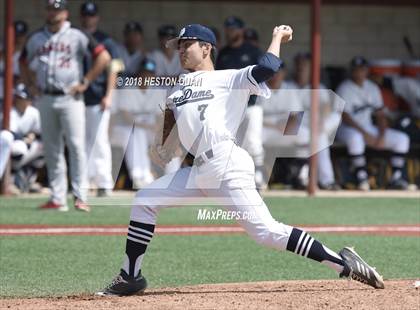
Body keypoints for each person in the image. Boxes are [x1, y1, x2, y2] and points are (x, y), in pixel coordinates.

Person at [98, 24, 384, 296]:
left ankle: (345, 264)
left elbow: (269, 67)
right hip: (198, 170)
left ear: (207, 48)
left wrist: (276, 37)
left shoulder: (229, 78)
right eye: (179, 45)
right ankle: (130, 276)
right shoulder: (178, 87)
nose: (181, 50)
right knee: (146, 200)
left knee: (267, 233)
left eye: (187, 44)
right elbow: (169, 138)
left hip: (227, 165)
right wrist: (163, 146)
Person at [19, 0, 111, 211]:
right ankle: (58, 198)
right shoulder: (37, 37)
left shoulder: (77, 34)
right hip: (46, 96)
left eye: (58, 9)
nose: (54, 13)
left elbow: (103, 57)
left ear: (66, 13)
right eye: (51, 9)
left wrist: (86, 81)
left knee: (77, 146)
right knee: (52, 148)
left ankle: (80, 196)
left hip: (71, 98)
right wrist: (29, 84)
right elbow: (23, 61)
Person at [336, 56, 410, 190]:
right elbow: (345, 116)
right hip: (345, 128)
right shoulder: (344, 88)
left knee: (402, 139)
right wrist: (365, 134)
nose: (359, 72)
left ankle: (396, 178)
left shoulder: (372, 88)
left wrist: (382, 135)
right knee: (356, 138)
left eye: (362, 69)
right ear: (352, 71)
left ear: (366, 71)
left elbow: (380, 114)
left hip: (368, 127)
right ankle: (362, 178)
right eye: (356, 69)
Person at [216, 16, 266, 188]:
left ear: (242, 30)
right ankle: (234, 178)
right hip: (229, 107)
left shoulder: (253, 51)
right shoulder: (223, 53)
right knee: (229, 143)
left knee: (252, 142)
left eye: (234, 29)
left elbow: (262, 76)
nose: (230, 32)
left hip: (251, 104)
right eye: (228, 29)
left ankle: (258, 174)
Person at [80, 1, 120, 197]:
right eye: (86, 15)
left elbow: (114, 68)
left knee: (99, 140)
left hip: (98, 96)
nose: (89, 18)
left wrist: (109, 95)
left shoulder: (106, 40)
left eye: (92, 15)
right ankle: (85, 181)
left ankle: (104, 183)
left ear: (97, 17)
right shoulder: (76, 37)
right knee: (82, 141)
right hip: (78, 98)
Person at [288, 52, 341, 190]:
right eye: (299, 65)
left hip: (314, 126)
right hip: (293, 126)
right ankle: (327, 180)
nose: (301, 68)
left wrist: (321, 121)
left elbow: (327, 107)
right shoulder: (287, 85)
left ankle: (321, 179)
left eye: (305, 65)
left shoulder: (318, 86)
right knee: (319, 137)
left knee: (332, 121)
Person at [110, 58, 166, 188]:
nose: (147, 77)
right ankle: (139, 175)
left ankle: (172, 177)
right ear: (139, 74)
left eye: (150, 74)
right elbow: (126, 117)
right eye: (144, 73)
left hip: (149, 130)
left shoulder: (156, 89)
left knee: (169, 136)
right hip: (124, 129)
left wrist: (159, 128)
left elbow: (160, 116)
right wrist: (149, 126)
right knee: (136, 132)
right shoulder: (128, 88)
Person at [259, 62, 309, 188]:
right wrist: (276, 126)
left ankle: (301, 174)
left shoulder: (289, 88)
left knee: (304, 134)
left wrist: (289, 127)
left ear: (284, 73)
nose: (275, 75)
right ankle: (258, 174)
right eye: (273, 72)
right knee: (254, 136)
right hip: (266, 129)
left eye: (278, 72)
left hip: (285, 130)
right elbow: (253, 116)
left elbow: (296, 114)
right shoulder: (259, 87)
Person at [0, 83, 43, 193]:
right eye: (18, 98)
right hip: (15, 144)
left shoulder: (33, 112)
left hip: (28, 145)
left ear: (29, 101)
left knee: (46, 146)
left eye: (22, 98)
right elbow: (12, 133)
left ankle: (30, 180)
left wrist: (33, 136)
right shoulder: (10, 111)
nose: (19, 101)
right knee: (19, 147)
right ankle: (12, 181)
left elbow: (41, 132)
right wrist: (26, 138)